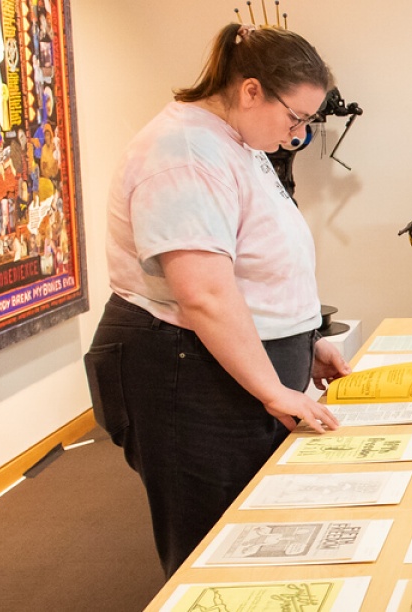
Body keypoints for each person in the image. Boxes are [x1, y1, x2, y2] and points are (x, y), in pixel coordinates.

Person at [85, 23, 345, 576]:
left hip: (222, 363)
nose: (297, 135)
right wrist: (274, 387)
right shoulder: (183, 152)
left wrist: (305, 338)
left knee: (253, 533)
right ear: (251, 90)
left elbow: (260, 262)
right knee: (211, 549)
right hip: (182, 369)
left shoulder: (234, 140)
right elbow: (202, 293)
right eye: (295, 118)